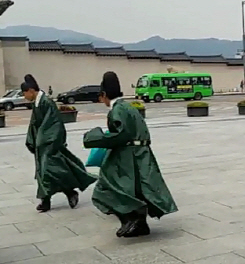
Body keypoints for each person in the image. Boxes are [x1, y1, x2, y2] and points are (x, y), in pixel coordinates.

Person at [84, 72, 177, 237]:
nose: (101, 101)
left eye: (101, 97)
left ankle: (130, 219)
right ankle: (140, 225)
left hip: (128, 155)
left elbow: (121, 134)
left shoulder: (117, 110)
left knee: (105, 187)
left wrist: (96, 138)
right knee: (138, 189)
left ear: (104, 95)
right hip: (140, 153)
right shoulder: (127, 107)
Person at [21, 74, 96, 212]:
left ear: (31, 91)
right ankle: (54, 198)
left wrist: (45, 139)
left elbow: (54, 124)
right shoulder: (38, 103)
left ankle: (59, 196)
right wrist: (33, 140)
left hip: (49, 144)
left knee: (48, 171)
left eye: (24, 93)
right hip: (43, 144)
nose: (24, 96)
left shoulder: (46, 102)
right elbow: (34, 124)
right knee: (46, 172)